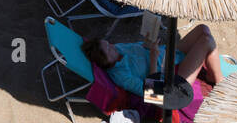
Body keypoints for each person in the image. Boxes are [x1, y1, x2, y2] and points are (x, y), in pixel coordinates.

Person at [81, 23, 224, 101]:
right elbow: (154, 94)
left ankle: (214, 77)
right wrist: (154, 58)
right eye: (109, 50)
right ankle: (221, 83)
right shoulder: (120, 76)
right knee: (206, 41)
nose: (112, 46)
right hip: (172, 76)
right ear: (105, 62)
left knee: (203, 29)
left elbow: (140, 48)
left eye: (109, 44)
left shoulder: (118, 48)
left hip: (169, 54)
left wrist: (148, 42)